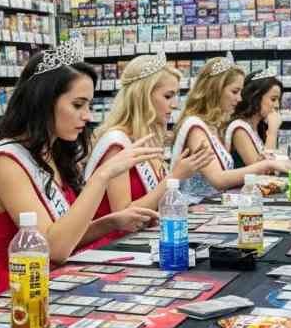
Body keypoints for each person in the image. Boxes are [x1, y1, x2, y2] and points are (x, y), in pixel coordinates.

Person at [0, 42, 160, 304]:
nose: (87, 116)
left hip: (54, 283)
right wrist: (102, 176)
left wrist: (110, 222)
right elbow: (54, 249)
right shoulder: (7, 161)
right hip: (13, 294)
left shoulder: (54, 153)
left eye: (88, 105)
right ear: (43, 101)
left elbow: (63, 235)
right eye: (78, 105)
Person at [85, 53, 214, 222]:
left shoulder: (146, 137)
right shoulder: (116, 143)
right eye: (167, 96)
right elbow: (123, 217)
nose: (175, 104)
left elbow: (152, 201)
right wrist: (175, 177)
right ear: (142, 96)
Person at [172, 54, 289, 199]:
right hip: (193, 206)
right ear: (215, 90)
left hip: (212, 204)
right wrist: (266, 164)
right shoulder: (196, 128)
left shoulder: (213, 126)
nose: (239, 98)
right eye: (234, 91)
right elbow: (218, 179)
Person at [225, 67, 291, 167]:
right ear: (255, 98)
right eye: (273, 99)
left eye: (278, 100)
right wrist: (272, 132)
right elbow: (263, 169)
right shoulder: (239, 129)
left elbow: (270, 159)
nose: (277, 105)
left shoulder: (256, 127)